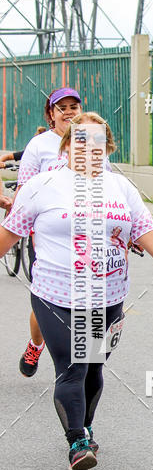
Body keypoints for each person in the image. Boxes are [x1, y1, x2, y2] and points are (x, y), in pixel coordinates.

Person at [0, 112, 153, 470]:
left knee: (94, 367)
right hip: (56, 296)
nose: (89, 148)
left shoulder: (121, 187)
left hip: (108, 297)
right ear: (67, 146)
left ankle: (84, 426)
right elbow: (8, 236)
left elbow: (144, 227)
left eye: (98, 142)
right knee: (73, 365)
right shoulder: (42, 185)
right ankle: (77, 442)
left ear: (107, 149)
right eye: (81, 140)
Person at [15, 90, 88, 377]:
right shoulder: (39, 145)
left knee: (90, 295)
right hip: (47, 235)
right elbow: (24, 189)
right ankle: (37, 344)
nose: (69, 112)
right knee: (47, 297)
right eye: (62, 108)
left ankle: (84, 363)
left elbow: (110, 186)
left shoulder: (90, 139)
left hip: (88, 234)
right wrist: (15, 224)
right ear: (51, 114)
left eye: (74, 106)